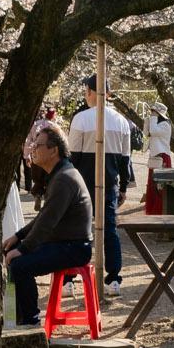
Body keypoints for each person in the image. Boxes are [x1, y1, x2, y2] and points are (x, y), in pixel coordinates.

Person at [2, 123, 94, 326]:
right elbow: (44, 216)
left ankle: (30, 321)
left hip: (74, 248)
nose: (33, 148)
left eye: (39, 145)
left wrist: (24, 248)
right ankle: (16, 317)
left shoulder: (63, 179)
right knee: (10, 250)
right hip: (63, 243)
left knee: (19, 265)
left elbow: (47, 223)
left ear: (54, 150)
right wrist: (18, 236)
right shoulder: (58, 175)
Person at [66, 75, 133, 293]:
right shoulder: (122, 121)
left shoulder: (81, 119)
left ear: (92, 92)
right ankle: (114, 278)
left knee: (76, 230)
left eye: (87, 89)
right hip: (110, 183)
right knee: (110, 230)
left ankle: (69, 278)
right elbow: (125, 160)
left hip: (81, 184)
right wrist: (123, 187)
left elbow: (73, 158)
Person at [142, 105, 174, 215]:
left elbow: (153, 131)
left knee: (161, 188)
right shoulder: (154, 123)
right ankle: (152, 211)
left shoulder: (165, 125)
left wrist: (153, 118)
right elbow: (146, 133)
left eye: (154, 112)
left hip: (162, 157)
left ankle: (160, 212)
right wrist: (147, 120)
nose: (152, 114)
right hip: (154, 158)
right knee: (152, 186)